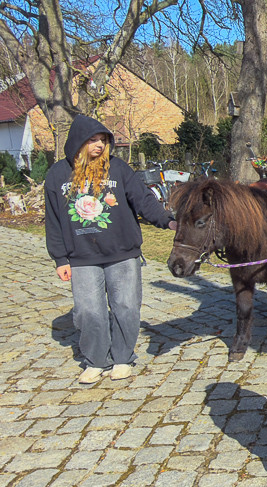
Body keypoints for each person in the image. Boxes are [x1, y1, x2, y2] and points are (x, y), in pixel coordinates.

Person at [44, 115, 177, 384]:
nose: (98, 146)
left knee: (126, 307)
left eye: (103, 141)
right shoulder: (57, 175)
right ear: (77, 142)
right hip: (81, 257)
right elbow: (53, 220)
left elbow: (143, 200)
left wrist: (168, 220)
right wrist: (60, 258)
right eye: (92, 140)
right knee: (87, 312)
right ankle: (96, 361)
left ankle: (122, 358)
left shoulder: (119, 169)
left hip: (122, 253)